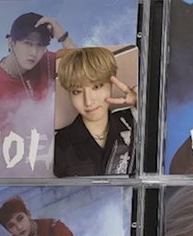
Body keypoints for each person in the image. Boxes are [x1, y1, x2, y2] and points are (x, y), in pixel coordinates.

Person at [0, 12, 76, 176]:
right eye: (28, 43)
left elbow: (85, 69)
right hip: (22, 171)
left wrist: (63, 36)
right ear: (11, 42)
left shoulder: (46, 61)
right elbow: (1, 151)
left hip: (61, 157)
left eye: (41, 45)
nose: (34, 52)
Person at [54, 47, 137, 177]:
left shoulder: (134, 121)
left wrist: (142, 105)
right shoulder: (59, 144)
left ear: (111, 83)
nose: (88, 101)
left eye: (96, 86)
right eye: (77, 91)